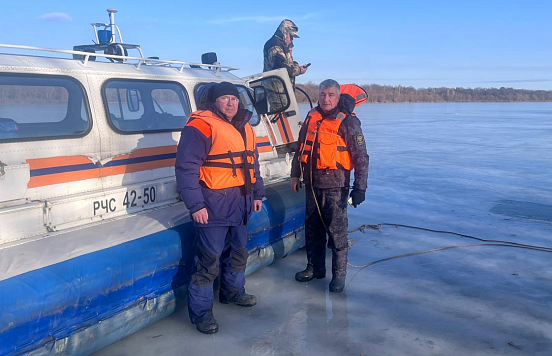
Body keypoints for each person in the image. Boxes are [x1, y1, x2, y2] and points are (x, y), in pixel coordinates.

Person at [175, 82, 265, 334]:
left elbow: (252, 164)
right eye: (224, 98)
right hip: (213, 204)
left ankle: (233, 292)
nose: (230, 103)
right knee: (208, 260)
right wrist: (196, 204)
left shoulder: (246, 126)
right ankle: (202, 314)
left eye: (233, 99)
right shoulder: (200, 126)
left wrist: (258, 193)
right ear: (214, 101)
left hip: (242, 201)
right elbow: (186, 168)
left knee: (238, 252)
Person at [290, 79, 369, 293]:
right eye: (323, 94)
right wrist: (295, 174)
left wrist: (360, 188)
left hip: (336, 186)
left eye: (331, 95)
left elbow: (361, 157)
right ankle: (315, 268)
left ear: (338, 96)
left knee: (337, 232)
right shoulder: (311, 117)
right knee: (312, 230)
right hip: (312, 185)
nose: (326, 99)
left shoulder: (349, 122)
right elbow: (300, 147)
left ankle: (338, 276)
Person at [263, 19, 309, 86]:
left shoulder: (281, 45)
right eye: (291, 36)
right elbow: (281, 68)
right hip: (274, 91)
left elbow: (285, 64)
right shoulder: (274, 45)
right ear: (285, 33)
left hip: (282, 90)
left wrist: (295, 65)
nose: (292, 40)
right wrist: (299, 70)